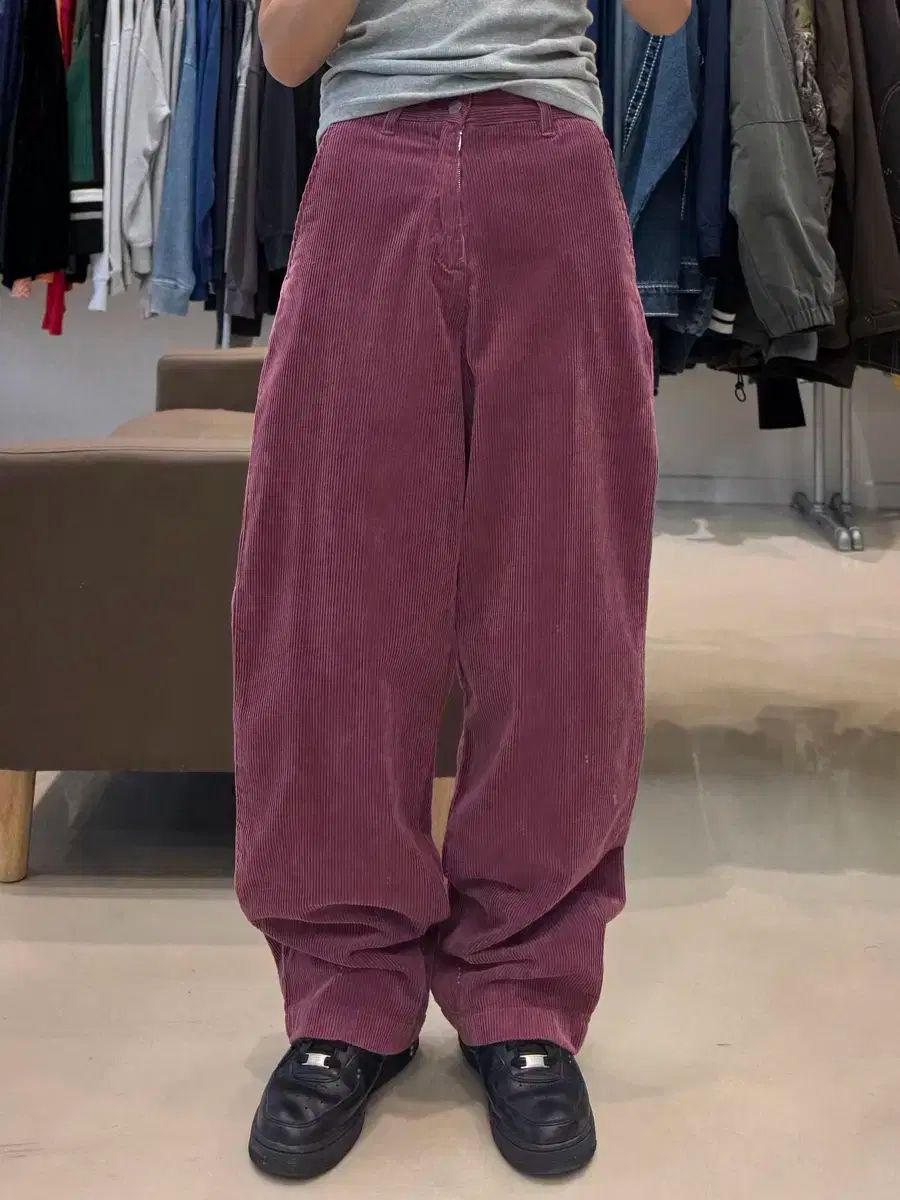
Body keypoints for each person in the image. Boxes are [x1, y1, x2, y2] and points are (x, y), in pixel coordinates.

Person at [232, 0, 690, 1181]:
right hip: (368, 169)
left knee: (563, 607)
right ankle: (345, 989)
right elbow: (286, 51)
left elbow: (666, 13)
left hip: (551, 156)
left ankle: (524, 986)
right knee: (332, 602)